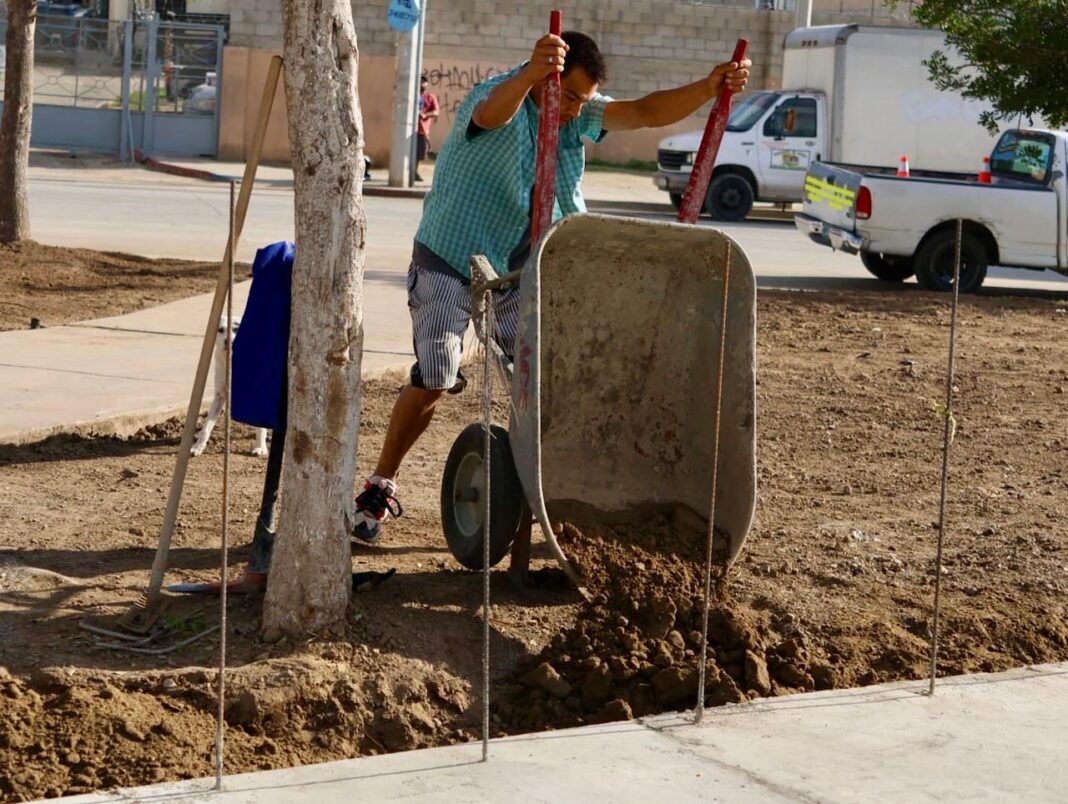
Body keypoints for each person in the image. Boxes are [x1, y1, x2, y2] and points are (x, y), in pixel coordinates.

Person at [351, 30, 751, 542]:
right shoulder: (501, 95)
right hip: (450, 256)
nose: (577, 110)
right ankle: (379, 486)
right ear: (547, 78)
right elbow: (492, 113)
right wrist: (531, 74)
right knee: (435, 373)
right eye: (573, 97)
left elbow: (644, 111)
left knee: (550, 375)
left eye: (584, 100)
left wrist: (710, 86)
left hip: (517, 270)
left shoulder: (574, 112)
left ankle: (555, 491)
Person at [415, 76, 440, 182]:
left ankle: (414, 171)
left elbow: (436, 112)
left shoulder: (430, 97)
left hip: (422, 131)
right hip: (409, 129)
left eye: (424, 82)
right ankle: (411, 172)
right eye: (420, 81)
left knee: (419, 154)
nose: (422, 83)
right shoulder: (412, 96)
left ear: (427, 84)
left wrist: (425, 115)